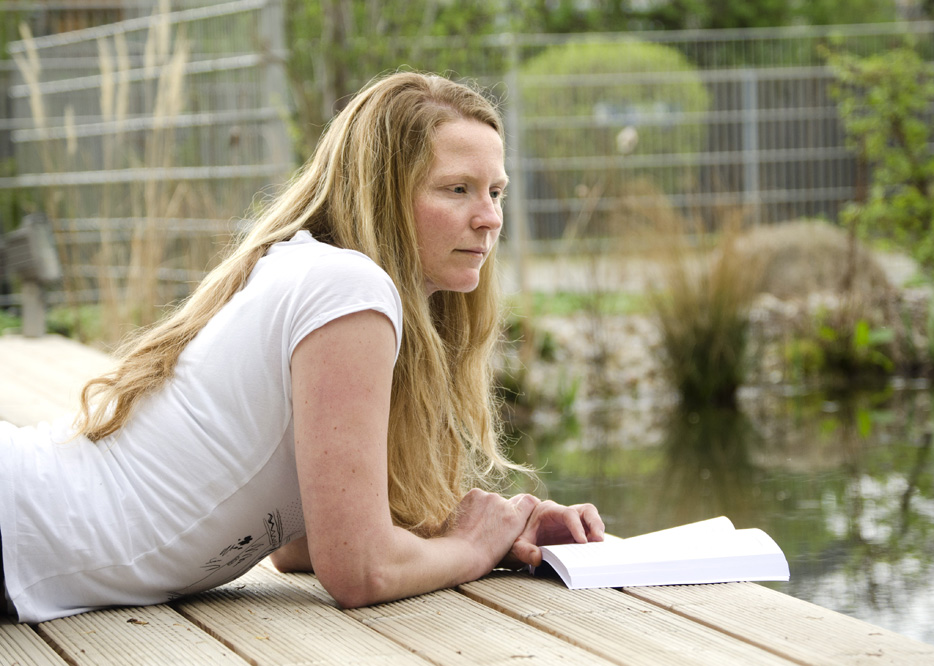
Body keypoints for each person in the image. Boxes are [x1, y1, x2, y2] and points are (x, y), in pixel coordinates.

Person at [0, 71, 604, 624]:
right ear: (383, 193)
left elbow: (300, 545)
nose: (489, 217)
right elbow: (360, 570)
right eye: (457, 189)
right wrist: (470, 547)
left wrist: (500, 530)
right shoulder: (349, 287)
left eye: (496, 192)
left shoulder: (316, 273)